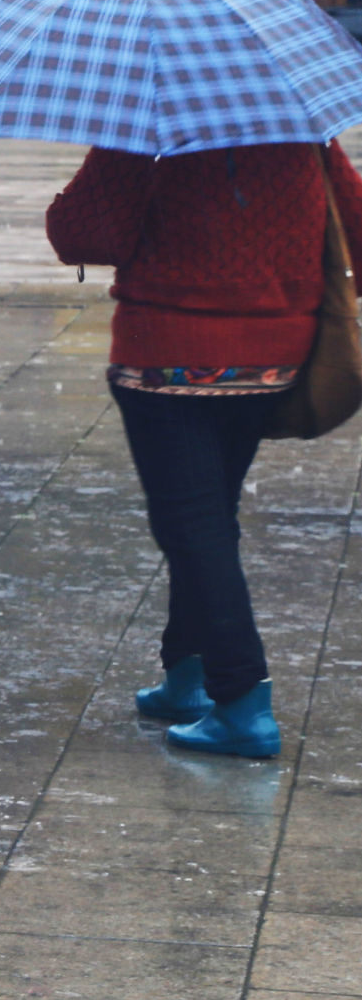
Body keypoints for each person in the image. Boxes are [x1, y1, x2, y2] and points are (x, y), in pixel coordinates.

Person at [48, 139, 362, 758]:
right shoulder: (301, 131)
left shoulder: (146, 131)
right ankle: (185, 676)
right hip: (274, 360)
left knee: (193, 525)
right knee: (209, 518)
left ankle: (242, 702)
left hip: (166, 357)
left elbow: (83, 234)